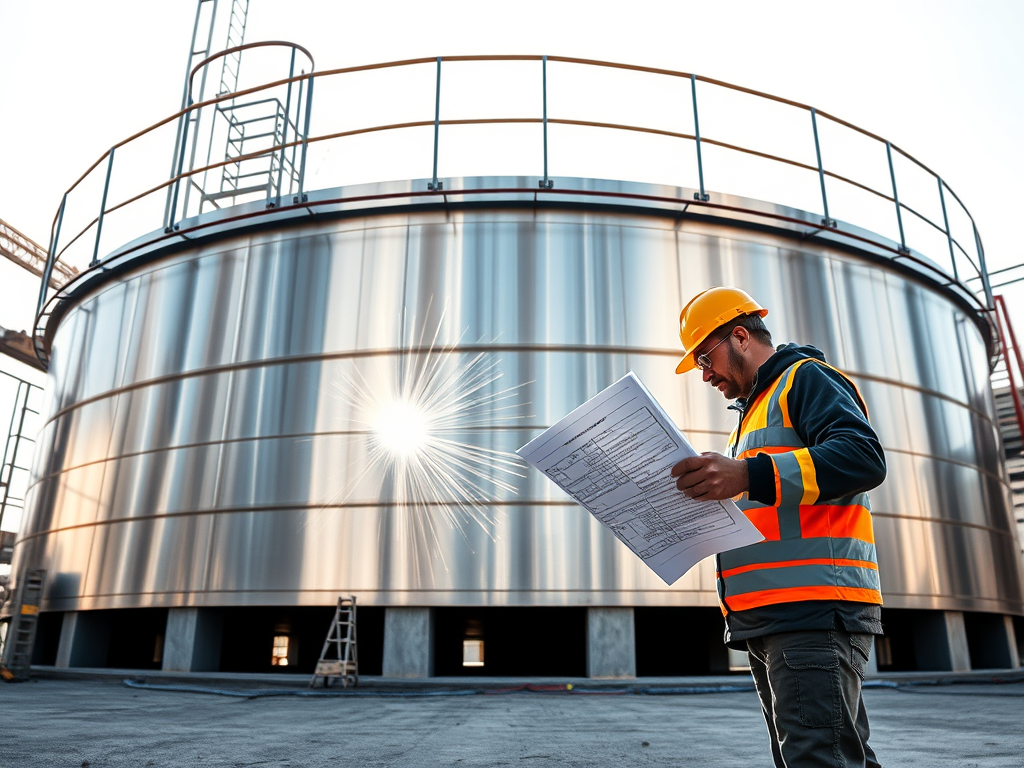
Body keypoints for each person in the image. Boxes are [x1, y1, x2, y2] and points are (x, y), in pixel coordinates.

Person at [670, 286, 886, 768]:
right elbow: (774, 504)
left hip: (812, 609)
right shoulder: (748, 418)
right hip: (769, 616)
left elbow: (862, 458)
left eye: (705, 359)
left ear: (741, 337)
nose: (705, 376)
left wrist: (746, 475)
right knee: (830, 755)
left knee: (817, 758)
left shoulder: (805, 380)